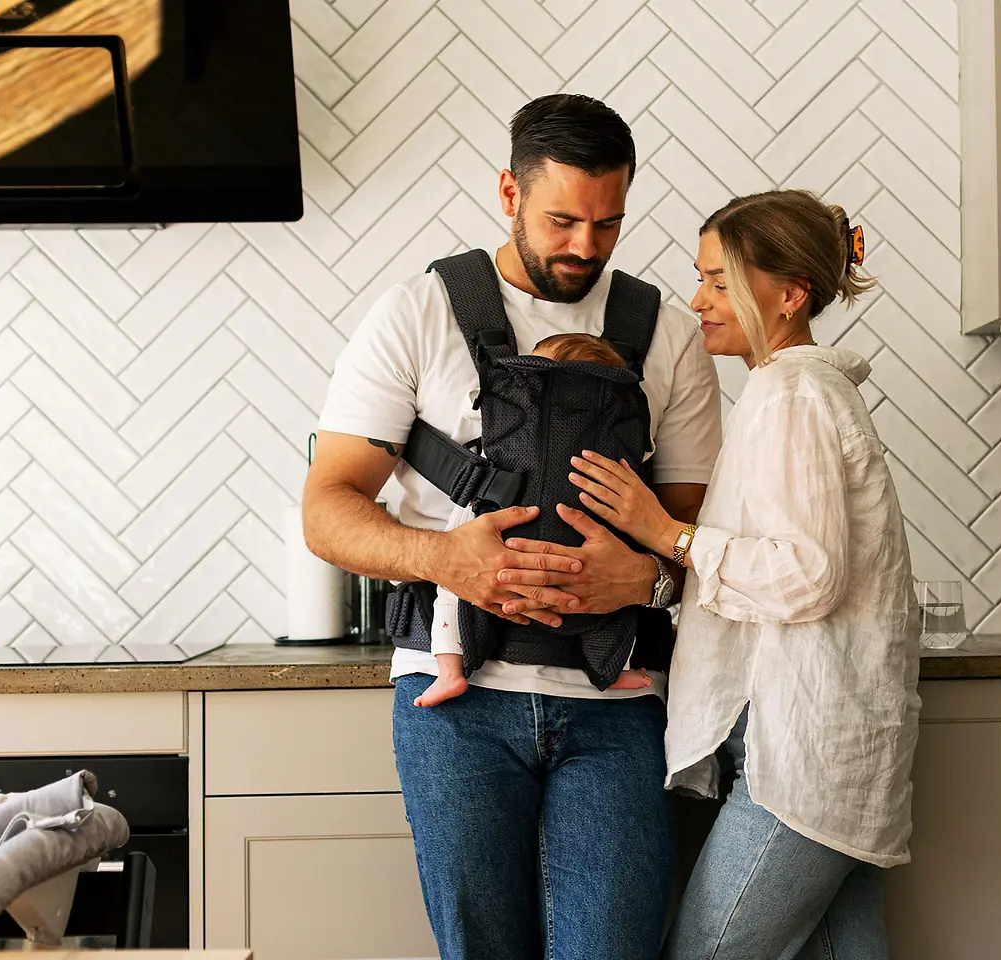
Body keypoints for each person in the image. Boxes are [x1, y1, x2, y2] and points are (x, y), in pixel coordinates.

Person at [303, 94, 722, 960]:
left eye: (608, 224)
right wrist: (447, 560)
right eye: (563, 219)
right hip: (454, 706)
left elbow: (697, 541)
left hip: (618, 702)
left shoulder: (667, 337)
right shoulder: (417, 315)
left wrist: (643, 579)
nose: (585, 248)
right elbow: (328, 509)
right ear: (509, 191)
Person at [564, 189, 921, 960]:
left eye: (721, 283)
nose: (698, 301)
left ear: (789, 294)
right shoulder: (787, 390)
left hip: (802, 755)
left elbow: (805, 576)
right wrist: (655, 574)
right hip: (818, 748)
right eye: (702, 279)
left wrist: (665, 532)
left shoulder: (793, 395)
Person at [417, 333, 655, 709]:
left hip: (502, 512)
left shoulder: (509, 408)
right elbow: (646, 450)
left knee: (450, 589)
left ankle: (449, 671)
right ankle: (613, 669)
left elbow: (471, 423)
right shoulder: (621, 419)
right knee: (614, 605)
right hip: (587, 536)